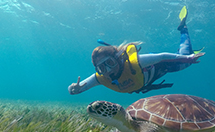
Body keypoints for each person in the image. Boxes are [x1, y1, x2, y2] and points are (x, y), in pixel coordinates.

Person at [68, 6, 205, 95]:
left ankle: (183, 29)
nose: (108, 70)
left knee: (185, 61)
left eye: (109, 62)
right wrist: (73, 89)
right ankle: (184, 53)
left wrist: (187, 58)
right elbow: (78, 89)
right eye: (102, 68)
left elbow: (161, 56)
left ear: (117, 59)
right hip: (144, 82)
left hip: (159, 67)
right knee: (183, 58)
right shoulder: (101, 78)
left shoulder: (135, 62)